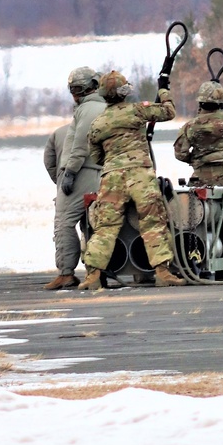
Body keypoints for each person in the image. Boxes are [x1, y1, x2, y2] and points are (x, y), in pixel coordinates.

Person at [80, 69, 183, 291]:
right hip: (140, 175)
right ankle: (163, 272)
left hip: (112, 177)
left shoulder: (98, 124)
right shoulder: (137, 111)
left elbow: (97, 156)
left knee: (105, 227)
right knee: (153, 222)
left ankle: (93, 276)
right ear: (125, 92)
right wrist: (164, 90)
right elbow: (168, 112)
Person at [42, 66, 105, 290]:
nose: (75, 93)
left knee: (65, 222)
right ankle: (98, 270)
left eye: (77, 89)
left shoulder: (87, 110)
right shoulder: (108, 107)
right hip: (102, 172)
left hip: (82, 172)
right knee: (98, 224)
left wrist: (68, 173)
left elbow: (79, 145)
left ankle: (66, 272)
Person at [173, 81, 223, 187]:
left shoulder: (190, 126)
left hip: (200, 177)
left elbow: (180, 154)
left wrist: (197, 159)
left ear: (200, 101)